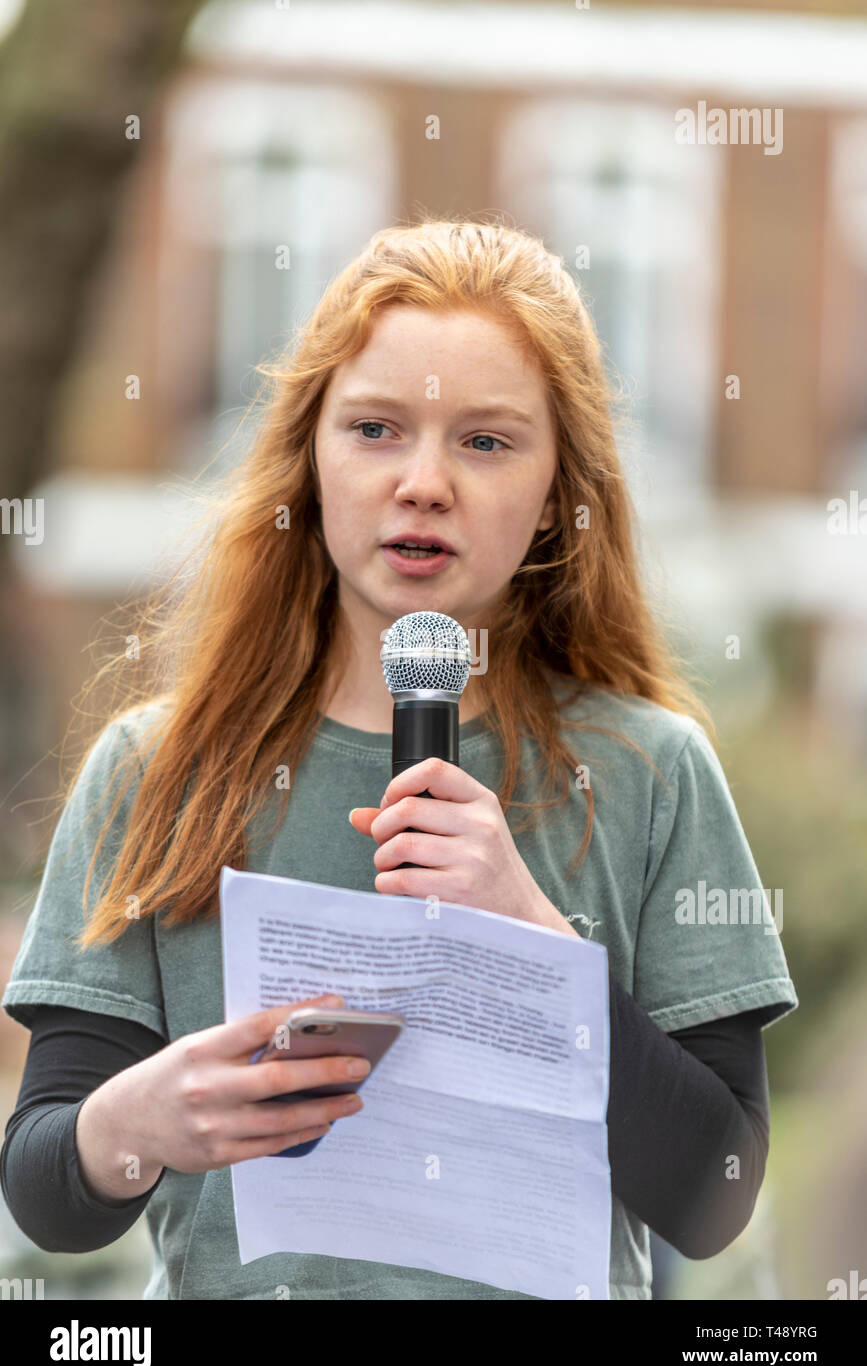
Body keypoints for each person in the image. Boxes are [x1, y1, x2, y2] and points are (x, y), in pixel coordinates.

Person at [1, 217, 797, 1300]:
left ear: (563, 488)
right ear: (310, 458)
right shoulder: (156, 769)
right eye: (376, 428)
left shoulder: (652, 773)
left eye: (486, 440)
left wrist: (532, 940)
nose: (424, 482)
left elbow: (716, 1197)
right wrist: (136, 1119)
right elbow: (47, 1191)